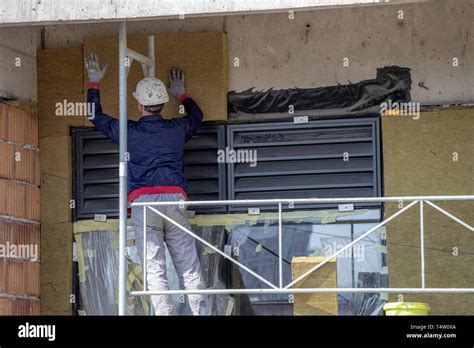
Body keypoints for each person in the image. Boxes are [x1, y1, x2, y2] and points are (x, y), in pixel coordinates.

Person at [84, 53, 210, 315]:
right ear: (163, 104)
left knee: (154, 268)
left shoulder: (129, 132)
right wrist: (183, 95)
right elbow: (197, 116)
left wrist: (94, 82)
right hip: (175, 201)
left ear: (140, 105)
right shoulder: (176, 129)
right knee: (189, 266)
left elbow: (94, 116)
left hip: (145, 204)